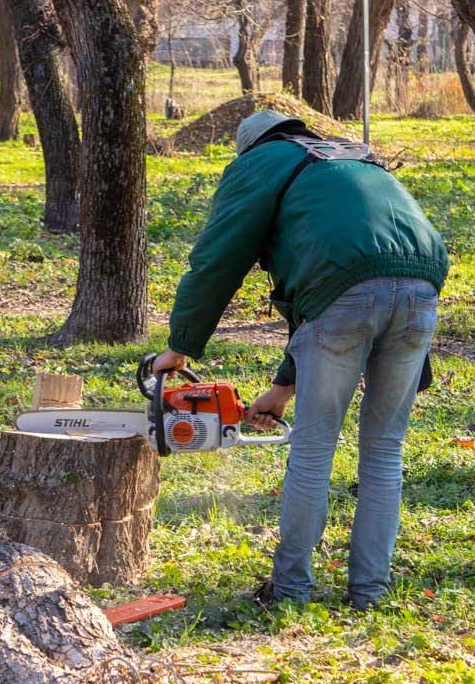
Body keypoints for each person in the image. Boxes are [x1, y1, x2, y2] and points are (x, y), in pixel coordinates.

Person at [152, 109, 448, 611]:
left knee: (313, 450)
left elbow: (216, 260)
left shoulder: (259, 164)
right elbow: (334, 281)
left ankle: (290, 590)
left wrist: (180, 347)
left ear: (252, 147)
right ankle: (369, 593)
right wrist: (283, 387)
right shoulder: (349, 156)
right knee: (384, 451)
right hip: (422, 287)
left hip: (344, 296)